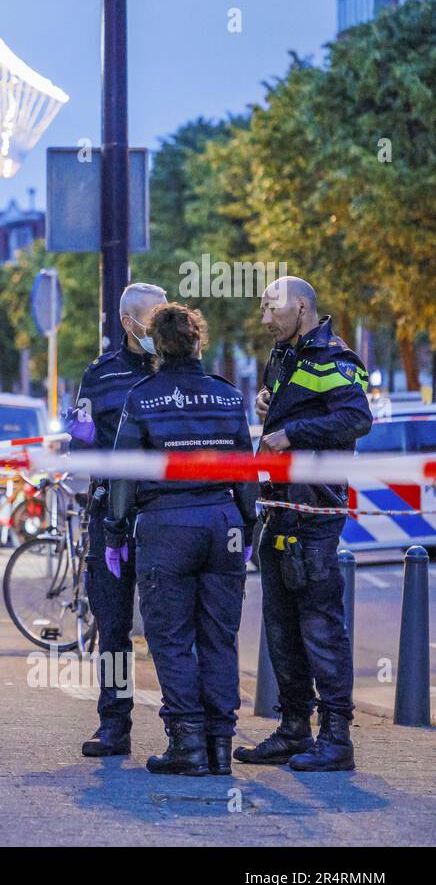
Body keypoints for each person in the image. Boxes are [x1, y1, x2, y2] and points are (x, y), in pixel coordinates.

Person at [105, 304, 259, 776]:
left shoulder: (143, 397)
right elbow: (246, 471)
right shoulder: (226, 397)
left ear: (155, 344)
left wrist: (115, 531)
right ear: (198, 341)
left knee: (170, 638)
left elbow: (125, 475)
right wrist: (248, 526)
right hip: (223, 522)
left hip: (167, 525)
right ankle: (219, 746)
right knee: (219, 636)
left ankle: (187, 742)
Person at [235, 277, 372, 772]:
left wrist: (292, 433)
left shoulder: (335, 358)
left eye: (273, 310)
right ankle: (294, 728)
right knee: (281, 626)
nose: (265, 319)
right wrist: (268, 407)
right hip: (278, 506)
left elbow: (357, 419)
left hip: (314, 510)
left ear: (302, 307)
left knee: (319, 625)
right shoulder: (283, 355)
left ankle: (337, 738)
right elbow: (283, 405)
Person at [67, 283, 165, 757]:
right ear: (129, 323)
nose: (160, 327)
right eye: (153, 317)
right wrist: (81, 436)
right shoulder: (99, 376)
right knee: (112, 625)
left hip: (162, 513)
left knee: (170, 626)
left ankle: (183, 729)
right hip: (110, 514)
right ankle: (114, 725)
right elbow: (80, 449)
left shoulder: (178, 369)